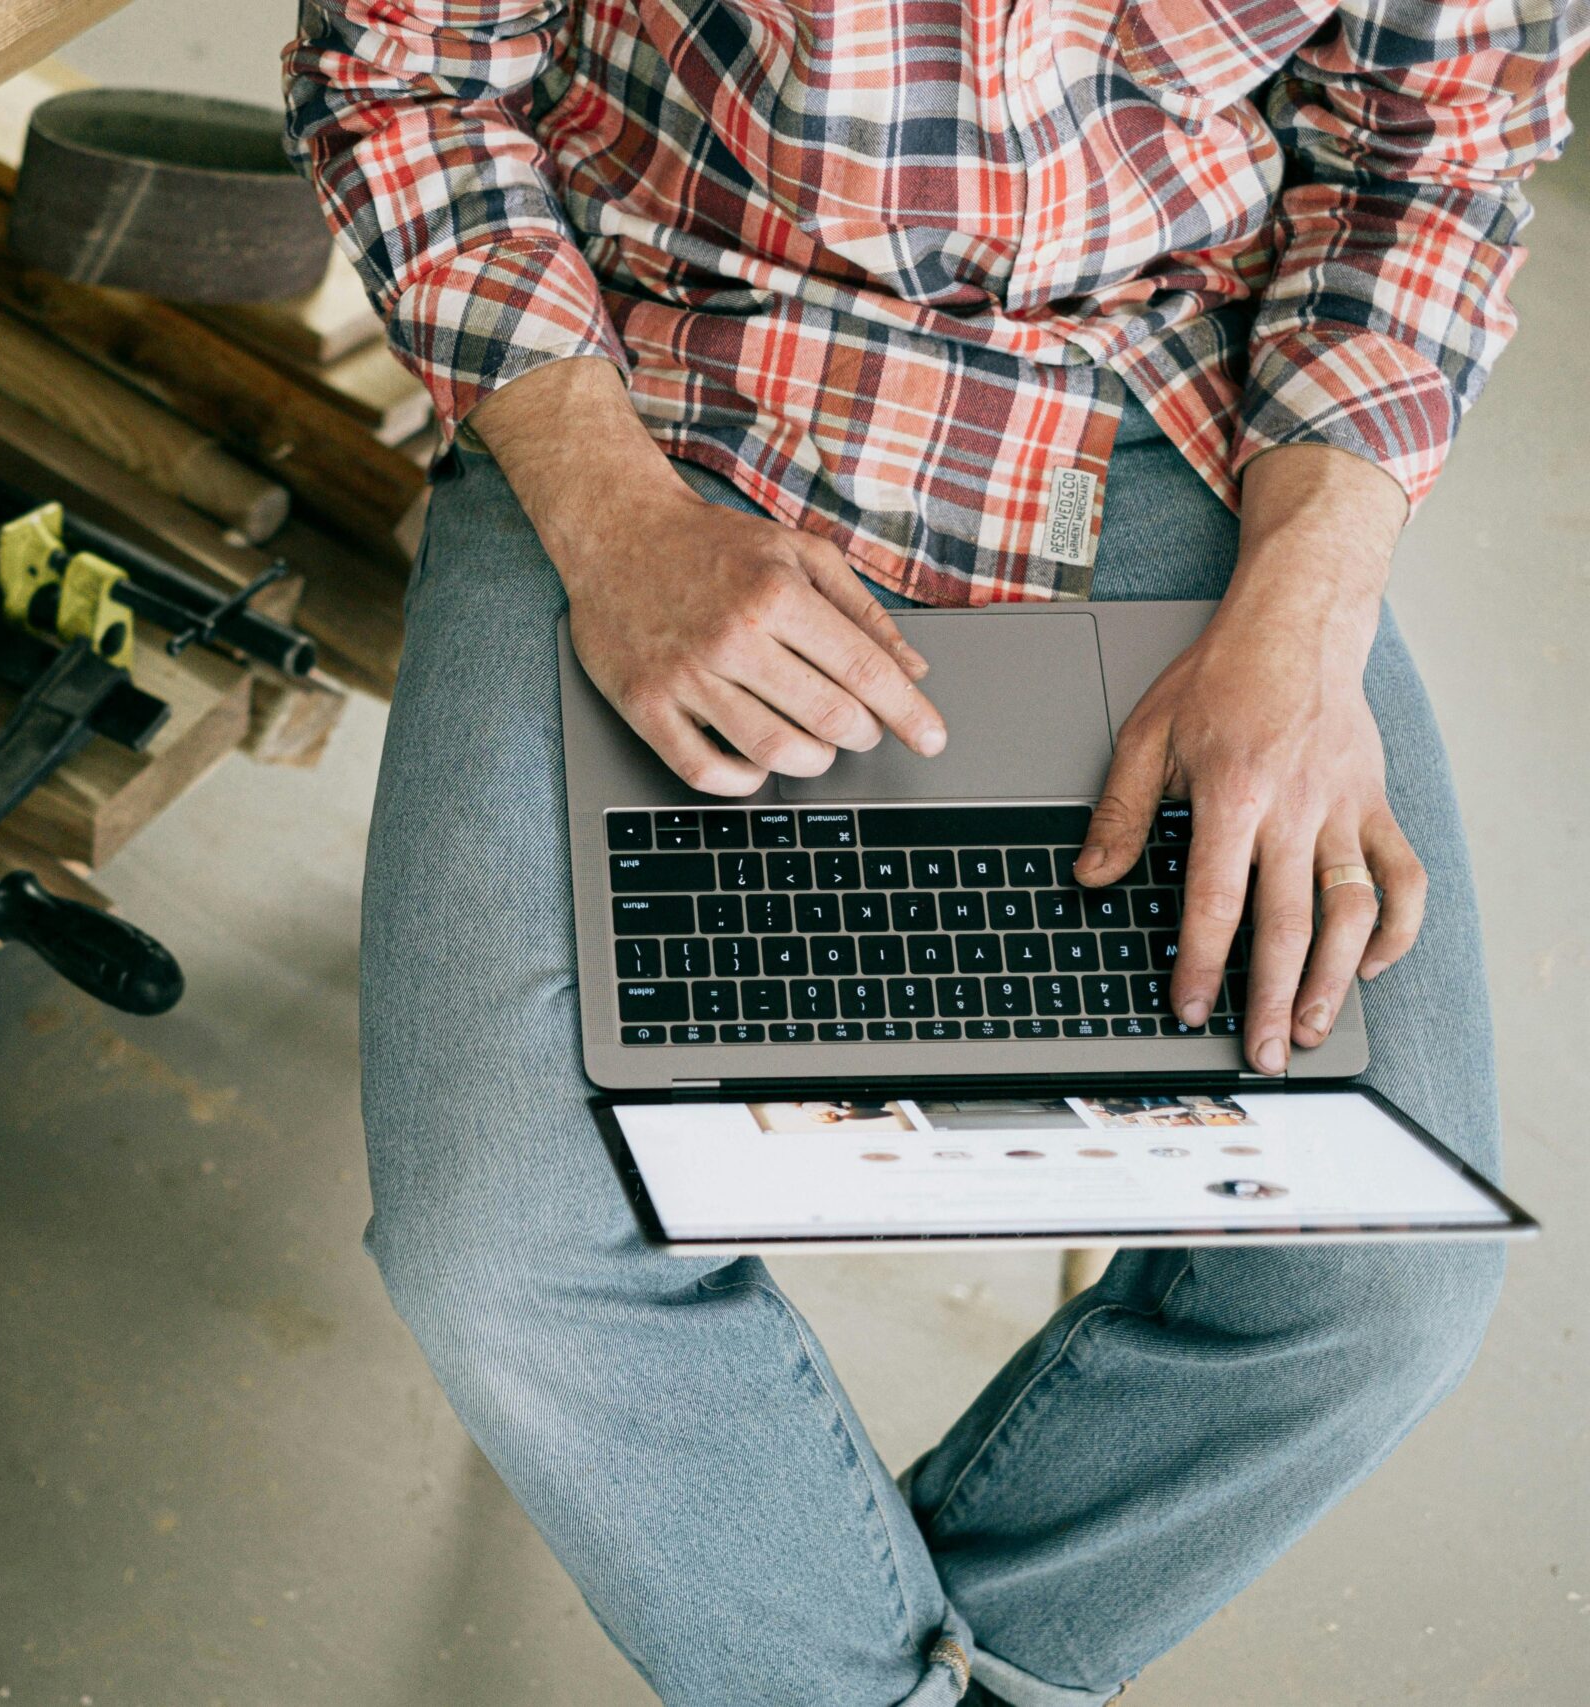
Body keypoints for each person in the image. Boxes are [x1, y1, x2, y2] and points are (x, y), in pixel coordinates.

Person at [283, 5, 1582, 1704]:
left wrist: (1308, 618)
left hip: (1178, 412)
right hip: (659, 386)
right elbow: (406, 77)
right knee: (504, 1250)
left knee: (1372, 1285)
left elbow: (1436, 142)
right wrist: (614, 522)